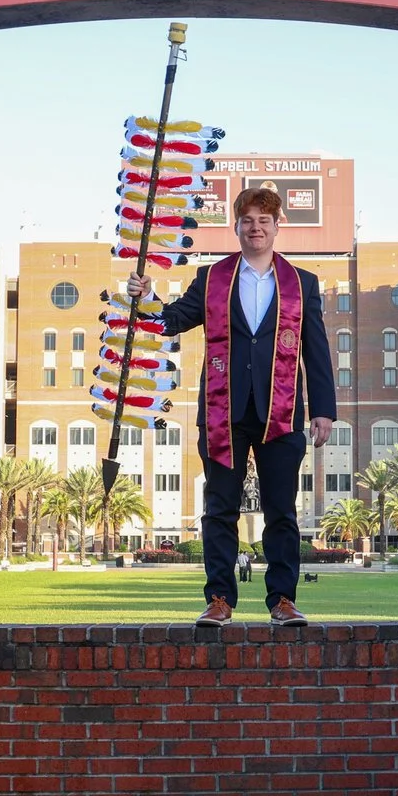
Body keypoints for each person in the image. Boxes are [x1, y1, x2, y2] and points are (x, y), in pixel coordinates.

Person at [126, 185, 335, 628]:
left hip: (282, 411)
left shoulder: (302, 283)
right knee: (219, 510)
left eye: (264, 221)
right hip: (223, 411)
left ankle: (283, 601)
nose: (256, 228)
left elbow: (315, 348)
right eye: (248, 221)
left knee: (282, 511)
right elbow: (173, 321)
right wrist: (145, 299)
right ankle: (219, 599)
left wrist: (323, 408)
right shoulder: (212, 277)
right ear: (236, 226)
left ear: (277, 226)